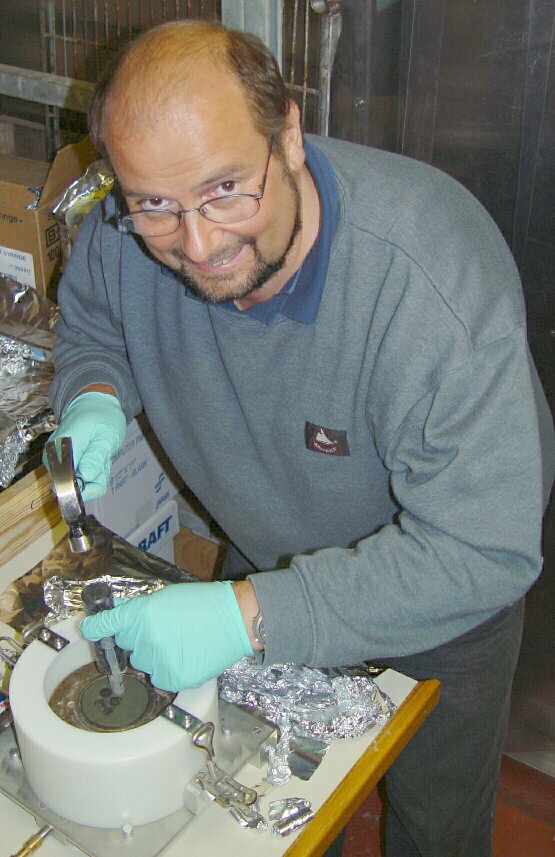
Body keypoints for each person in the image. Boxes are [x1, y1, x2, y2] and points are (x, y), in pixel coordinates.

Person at [45, 19, 554, 857]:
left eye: (225, 189)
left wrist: (249, 614)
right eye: (156, 207)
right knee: (276, 799)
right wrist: (93, 396)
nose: (198, 244)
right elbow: (96, 323)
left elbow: (482, 549)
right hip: (267, 557)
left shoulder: (425, 277)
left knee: (436, 830)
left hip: (438, 597)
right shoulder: (128, 225)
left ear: (287, 134)